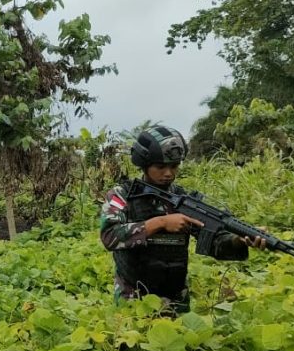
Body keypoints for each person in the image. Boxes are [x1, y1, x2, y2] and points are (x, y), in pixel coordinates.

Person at [100, 125, 264, 314]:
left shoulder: (186, 201)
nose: (168, 173)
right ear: (144, 165)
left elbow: (214, 241)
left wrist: (238, 240)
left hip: (175, 297)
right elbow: (110, 236)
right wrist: (161, 222)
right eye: (160, 167)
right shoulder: (122, 195)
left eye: (174, 166)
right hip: (132, 297)